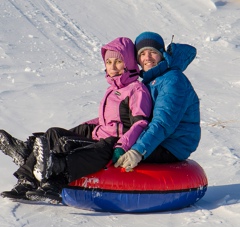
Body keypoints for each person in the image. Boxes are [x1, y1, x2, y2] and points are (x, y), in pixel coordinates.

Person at [0, 37, 152, 202]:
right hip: (100, 135)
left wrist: (122, 146)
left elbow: (140, 123)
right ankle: (26, 180)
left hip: (113, 143)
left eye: (118, 61)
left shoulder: (136, 90)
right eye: (108, 62)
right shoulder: (112, 88)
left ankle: (53, 184)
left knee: (66, 143)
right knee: (53, 133)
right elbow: (106, 119)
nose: (113, 67)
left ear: (128, 63)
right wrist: (84, 127)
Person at [114, 31, 201, 172]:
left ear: (161, 54)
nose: (147, 57)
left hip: (172, 145)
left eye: (152, 52)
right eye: (142, 54)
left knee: (111, 153)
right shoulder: (149, 82)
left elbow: (163, 122)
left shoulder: (173, 80)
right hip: (157, 140)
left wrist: (138, 150)